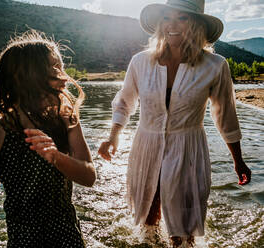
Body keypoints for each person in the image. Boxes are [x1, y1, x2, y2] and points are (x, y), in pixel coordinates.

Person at [98, 0, 251, 247]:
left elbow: (226, 116)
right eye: (167, 18)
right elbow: (124, 102)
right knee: (148, 217)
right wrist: (113, 136)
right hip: (146, 146)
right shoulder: (140, 62)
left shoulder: (215, 66)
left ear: (198, 25)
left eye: (183, 18)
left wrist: (238, 160)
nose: (172, 25)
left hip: (188, 148)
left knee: (184, 228)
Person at [0, 30, 96, 247]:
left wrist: (55, 156)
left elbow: (89, 176)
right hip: (23, 234)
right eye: (55, 68)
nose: (64, 76)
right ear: (29, 77)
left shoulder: (66, 118)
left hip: (66, 229)